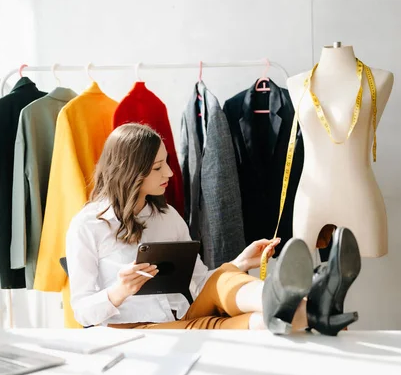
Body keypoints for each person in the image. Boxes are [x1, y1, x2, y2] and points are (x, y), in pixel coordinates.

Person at [66, 123, 361, 334]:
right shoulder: (87, 225)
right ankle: (317, 311)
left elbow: (201, 281)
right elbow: (82, 311)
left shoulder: (166, 215)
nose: (169, 173)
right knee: (262, 322)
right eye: (157, 168)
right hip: (134, 330)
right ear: (128, 172)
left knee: (223, 277)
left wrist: (238, 263)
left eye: (166, 162)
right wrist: (118, 291)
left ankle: (291, 297)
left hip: (183, 315)